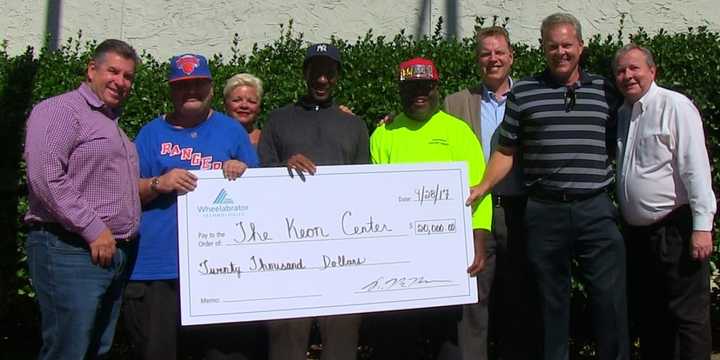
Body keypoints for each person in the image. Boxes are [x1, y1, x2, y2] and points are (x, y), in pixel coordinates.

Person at [467, 13, 629, 360]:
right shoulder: (524, 92)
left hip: (595, 209)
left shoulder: (606, 90)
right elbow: (506, 151)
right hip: (544, 212)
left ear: (581, 47)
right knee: (549, 306)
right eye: (552, 46)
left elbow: (634, 127)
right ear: (542, 48)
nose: (561, 52)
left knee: (610, 302)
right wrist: (482, 186)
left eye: (567, 45)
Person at [123, 53, 259, 360]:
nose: (191, 91)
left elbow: (260, 200)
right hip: (159, 269)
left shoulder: (232, 132)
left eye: (198, 84)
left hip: (219, 269)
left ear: (211, 88)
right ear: (171, 91)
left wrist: (243, 171)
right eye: (182, 85)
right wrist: (159, 183)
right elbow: (124, 194)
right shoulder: (150, 134)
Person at [24, 39, 141, 359]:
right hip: (70, 249)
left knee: (94, 350)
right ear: (92, 70)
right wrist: (93, 227)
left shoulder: (109, 124)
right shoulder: (60, 110)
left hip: (109, 254)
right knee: (68, 350)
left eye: (128, 76)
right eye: (113, 71)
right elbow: (45, 177)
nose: (121, 82)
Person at [368, 57, 492, 359]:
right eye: (411, 88)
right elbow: (375, 199)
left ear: (436, 88)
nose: (419, 94)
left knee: (447, 341)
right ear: (400, 91)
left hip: (448, 258)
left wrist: (478, 243)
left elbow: (479, 192)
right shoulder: (382, 135)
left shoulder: (458, 131)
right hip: (398, 262)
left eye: (425, 86)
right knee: (401, 340)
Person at [257, 43, 368, 360]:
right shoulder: (278, 121)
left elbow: (366, 187)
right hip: (288, 252)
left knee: (342, 344)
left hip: (343, 253)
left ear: (337, 76)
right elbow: (260, 179)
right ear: (304, 74)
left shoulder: (355, 125)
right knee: (285, 343)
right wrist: (283, 167)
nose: (322, 79)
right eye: (315, 71)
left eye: (329, 72)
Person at [614, 44, 716, 360]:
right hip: (640, 236)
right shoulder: (623, 114)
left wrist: (702, 227)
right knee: (652, 318)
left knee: (688, 319)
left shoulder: (675, 106)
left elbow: (695, 168)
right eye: (620, 70)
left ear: (652, 70)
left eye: (634, 68)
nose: (627, 76)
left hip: (675, 229)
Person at [443, 26, 537, 360]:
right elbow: (425, 128)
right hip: (474, 212)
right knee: (472, 304)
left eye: (499, 52)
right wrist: (391, 119)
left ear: (511, 57)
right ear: (477, 60)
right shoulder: (454, 103)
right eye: (486, 53)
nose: (493, 59)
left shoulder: (531, 97)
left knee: (518, 301)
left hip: (519, 212)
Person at [224, 73, 263, 146]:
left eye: (251, 101)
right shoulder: (213, 138)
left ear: (259, 108)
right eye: (237, 100)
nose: (244, 106)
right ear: (226, 104)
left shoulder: (268, 140)